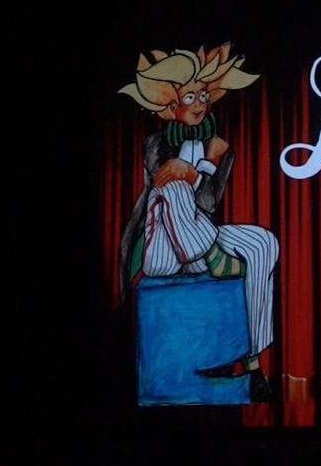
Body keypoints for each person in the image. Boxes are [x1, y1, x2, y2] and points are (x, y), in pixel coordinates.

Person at [118, 44, 279, 401]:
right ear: (170, 105)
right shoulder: (156, 143)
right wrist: (191, 170)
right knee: (172, 188)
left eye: (204, 95)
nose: (199, 103)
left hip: (199, 234)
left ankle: (251, 361)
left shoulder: (218, 147)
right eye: (190, 96)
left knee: (264, 242)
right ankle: (211, 255)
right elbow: (164, 183)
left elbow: (207, 202)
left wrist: (203, 165)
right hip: (163, 248)